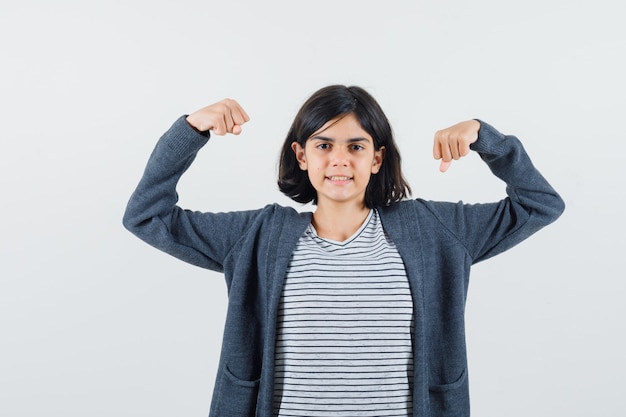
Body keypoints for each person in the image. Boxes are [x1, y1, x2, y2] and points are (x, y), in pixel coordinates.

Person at [123, 85, 564, 417]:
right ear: (301, 155)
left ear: (376, 158)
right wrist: (189, 131)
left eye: (356, 146)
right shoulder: (258, 234)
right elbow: (147, 215)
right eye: (323, 145)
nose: (339, 160)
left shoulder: (432, 230)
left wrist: (487, 138)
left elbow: (540, 204)